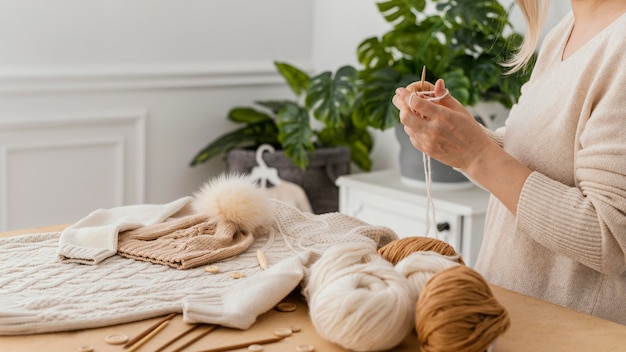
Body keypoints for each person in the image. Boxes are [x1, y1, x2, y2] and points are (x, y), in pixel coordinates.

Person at [392, 0, 626, 325]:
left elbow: (611, 238)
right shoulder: (567, 30)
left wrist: (476, 155)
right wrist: (461, 135)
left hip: (565, 337)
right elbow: (530, 160)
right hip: (506, 323)